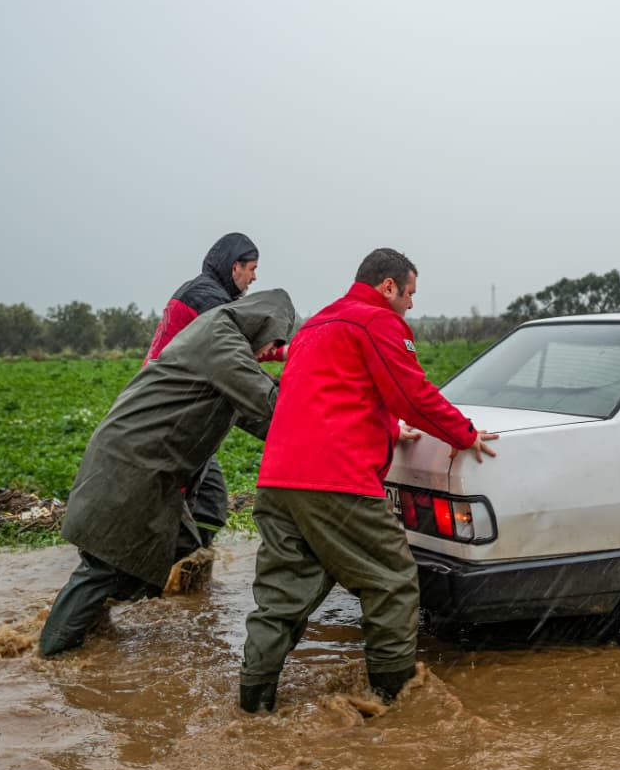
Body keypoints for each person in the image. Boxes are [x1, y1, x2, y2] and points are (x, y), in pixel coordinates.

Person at [238, 249, 498, 713]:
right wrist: (465, 434)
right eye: (410, 293)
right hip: (337, 481)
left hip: (278, 482)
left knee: (281, 597)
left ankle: (253, 704)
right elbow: (411, 395)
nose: (411, 305)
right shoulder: (376, 321)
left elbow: (334, 395)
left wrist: (390, 430)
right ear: (388, 286)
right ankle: (393, 700)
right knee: (392, 580)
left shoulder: (317, 325)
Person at [37, 288, 296, 658]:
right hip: (131, 462)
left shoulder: (225, 348)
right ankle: (52, 657)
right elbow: (270, 404)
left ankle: (91, 628)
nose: (269, 352)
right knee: (102, 565)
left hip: (151, 468)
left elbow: (262, 418)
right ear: (263, 324)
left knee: (178, 546)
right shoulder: (220, 337)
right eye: (274, 342)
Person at [145, 233, 263, 554]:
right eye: (252, 269)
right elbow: (234, 364)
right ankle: (172, 565)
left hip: (176, 414)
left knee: (209, 502)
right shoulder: (209, 300)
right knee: (189, 503)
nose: (254, 277)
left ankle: (191, 567)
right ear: (235, 267)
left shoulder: (200, 292)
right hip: (171, 418)